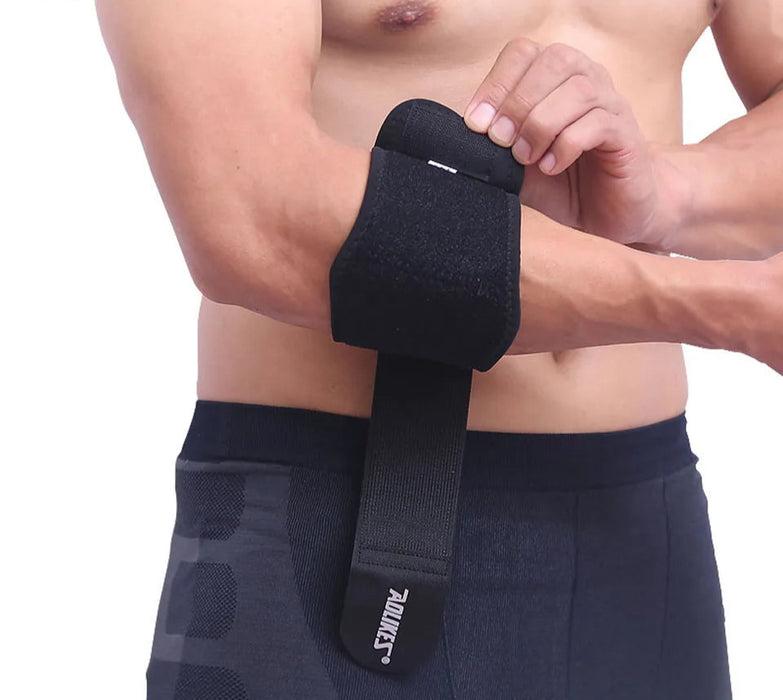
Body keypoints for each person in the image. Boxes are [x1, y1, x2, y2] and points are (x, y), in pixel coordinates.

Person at [95, 0, 783, 697]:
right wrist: (721, 304)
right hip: (333, 527)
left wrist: (666, 192)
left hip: (642, 529)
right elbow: (251, 216)